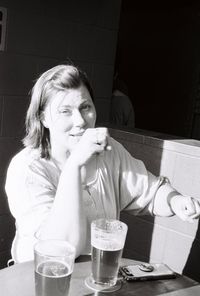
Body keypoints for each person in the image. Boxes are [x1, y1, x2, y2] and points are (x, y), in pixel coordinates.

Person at [5, 64, 200, 263]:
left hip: (98, 277)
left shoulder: (109, 151)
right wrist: (75, 165)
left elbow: (149, 191)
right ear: (43, 117)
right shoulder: (27, 169)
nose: (80, 120)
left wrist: (175, 201)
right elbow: (61, 249)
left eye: (85, 107)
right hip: (42, 280)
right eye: (65, 111)